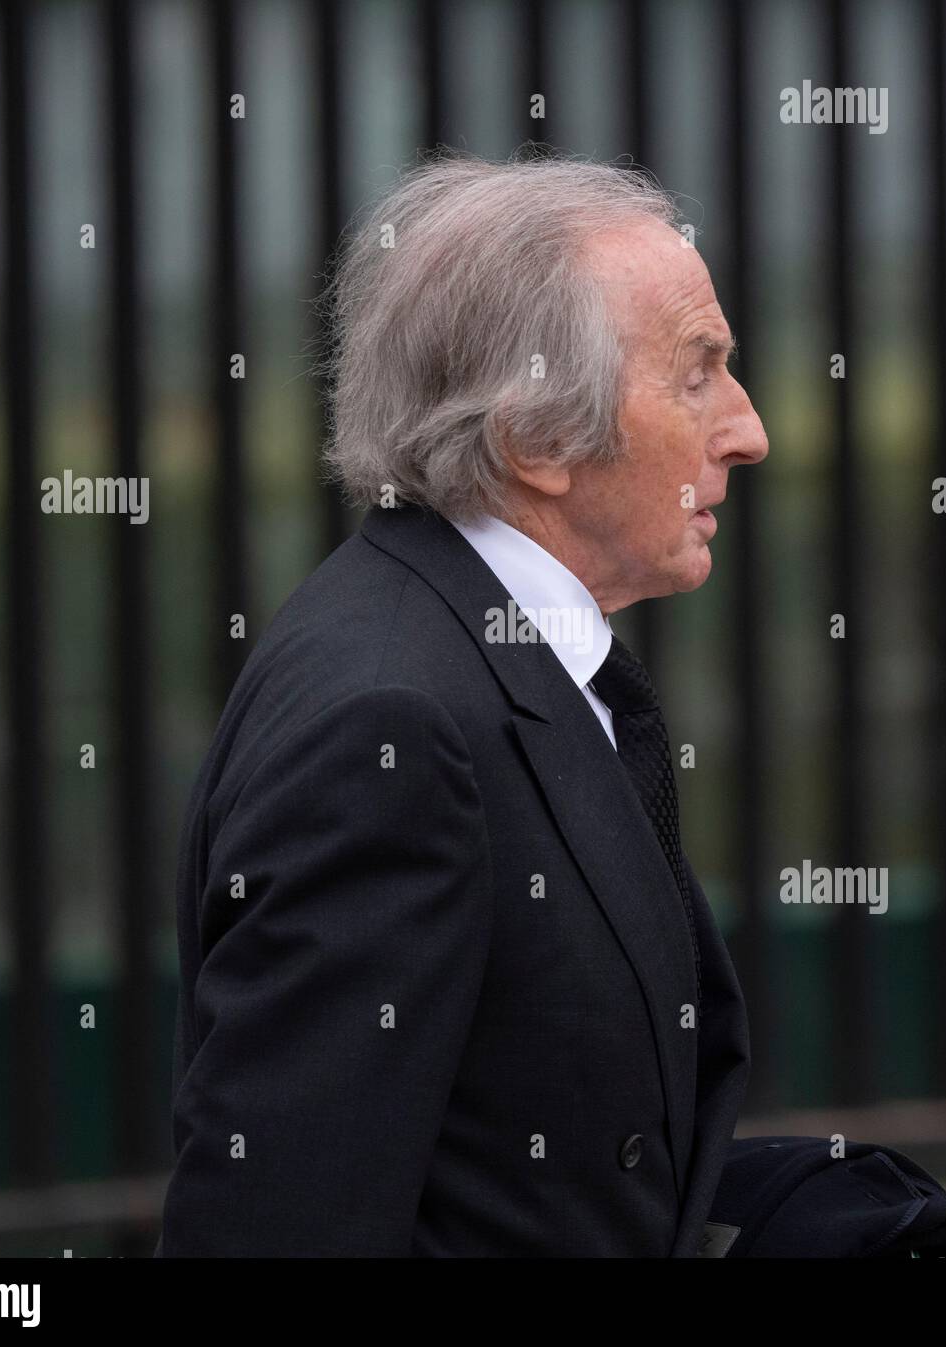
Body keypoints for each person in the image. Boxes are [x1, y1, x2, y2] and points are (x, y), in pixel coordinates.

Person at [157, 149, 768, 1256]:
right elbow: (280, 1221)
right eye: (697, 373)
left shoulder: (482, 644)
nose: (747, 429)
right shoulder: (388, 724)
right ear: (533, 439)